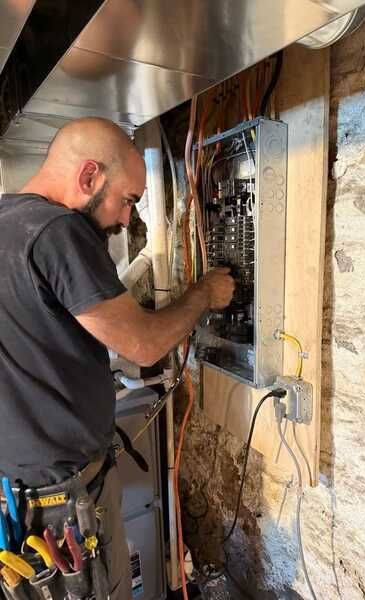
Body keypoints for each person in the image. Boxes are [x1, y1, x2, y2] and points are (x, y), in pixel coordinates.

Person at [0, 117, 234, 598]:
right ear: (89, 177)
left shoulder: (7, 221)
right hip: (61, 499)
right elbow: (144, 344)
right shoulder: (57, 231)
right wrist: (204, 294)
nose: (128, 219)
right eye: (127, 199)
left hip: (18, 489)